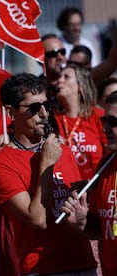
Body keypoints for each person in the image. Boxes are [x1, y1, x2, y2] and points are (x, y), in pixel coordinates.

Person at [0, 73, 97, 275]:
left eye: (47, 105)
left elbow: (79, 209)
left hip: (84, 262)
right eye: (34, 108)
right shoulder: (2, 164)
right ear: (11, 113)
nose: (45, 114)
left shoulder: (60, 149)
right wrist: (46, 163)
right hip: (43, 268)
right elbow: (38, 219)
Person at [62, 90, 117, 276]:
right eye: (104, 121)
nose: (105, 129)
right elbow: (103, 229)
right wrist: (82, 222)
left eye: (113, 122)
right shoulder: (106, 165)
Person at [54, 64, 107, 180]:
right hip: (66, 186)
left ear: (80, 85)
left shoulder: (98, 115)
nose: (59, 80)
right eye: (59, 77)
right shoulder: (53, 118)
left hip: (95, 184)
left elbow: (110, 152)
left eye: (66, 77)